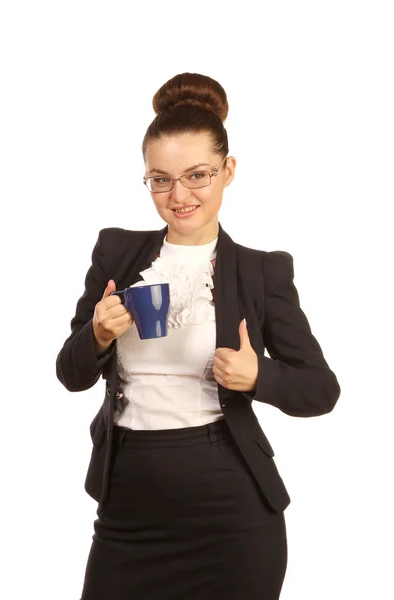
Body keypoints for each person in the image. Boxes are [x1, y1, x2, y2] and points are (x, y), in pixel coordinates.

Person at [56, 72, 341, 600]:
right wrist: (96, 334)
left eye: (197, 175)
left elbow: (321, 389)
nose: (178, 195)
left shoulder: (261, 271)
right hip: (127, 506)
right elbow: (70, 374)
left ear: (228, 171)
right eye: (160, 179)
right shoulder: (116, 253)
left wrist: (260, 376)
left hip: (230, 512)